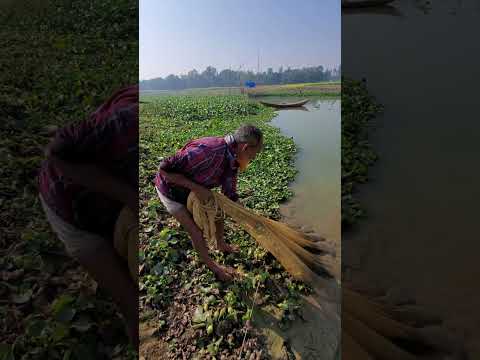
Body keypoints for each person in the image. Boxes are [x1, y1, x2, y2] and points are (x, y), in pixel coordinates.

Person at [38, 85, 139, 347]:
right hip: (68, 203)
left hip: (114, 196)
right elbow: (57, 152)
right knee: (131, 303)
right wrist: (128, 196)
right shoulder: (126, 122)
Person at [155, 124, 264, 282]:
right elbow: (164, 169)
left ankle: (220, 244)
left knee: (218, 213)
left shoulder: (233, 160)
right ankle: (213, 267)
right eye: (254, 154)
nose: (254, 158)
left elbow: (230, 195)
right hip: (170, 190)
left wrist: (249, 217)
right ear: (246, 147)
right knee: (196, 232)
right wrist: (197, 188)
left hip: (195, 189)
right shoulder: (209, 151)